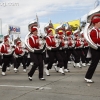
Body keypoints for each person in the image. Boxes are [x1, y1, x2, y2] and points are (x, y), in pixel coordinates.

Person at [84, 14, 100, 83]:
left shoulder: (98, 30)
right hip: (95, 48)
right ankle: (87, 77)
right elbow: (95, 40)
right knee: (94, 63)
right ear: (96, 23)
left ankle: (87, 77)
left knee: (94, 63)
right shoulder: (93, 31)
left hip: (98, 47)